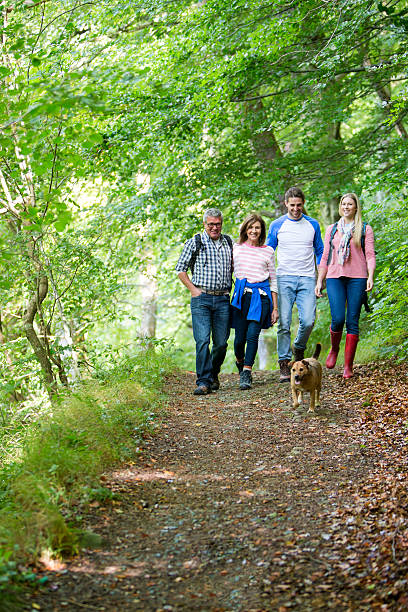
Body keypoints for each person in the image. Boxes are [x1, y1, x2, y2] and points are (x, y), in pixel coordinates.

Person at [266, 186, 324, 382]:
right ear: (286, 204)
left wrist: (321, 278)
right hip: (284, 278)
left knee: (308, 320)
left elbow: (320, 252)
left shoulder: (312, 224)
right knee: (284, 323)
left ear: (303, 204)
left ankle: (298, 348)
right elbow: (267, 252)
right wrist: (266, 278)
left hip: (307, 278)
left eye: (299, 205)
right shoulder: (277, 225)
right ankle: (284, 363)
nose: (296, 209)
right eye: (292, 205)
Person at [315, 192, 375, 379]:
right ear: (341, 207)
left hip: (357, 277)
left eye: (350, 204)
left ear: (356, 207)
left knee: (352, 321)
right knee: (338, 318)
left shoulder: (365, 229)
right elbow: (325, 257)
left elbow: (370, 255)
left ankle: (348, 366)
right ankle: (334, 349)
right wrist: (320, 280)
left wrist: (370, 276)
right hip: (334, 276)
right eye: (344, 203)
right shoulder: (332, 229)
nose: (346, 206)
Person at [175, 208, 233, 395]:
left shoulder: (229, 242)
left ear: (221, 224)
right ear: (205, 224)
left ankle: (213, 373)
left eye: (217, 224)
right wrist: (194, 291)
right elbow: (180, 270)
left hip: (223, 298)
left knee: (221, 343)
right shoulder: (195, 242)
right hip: (202, 299)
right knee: (202, 341)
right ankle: (203, 382)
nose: (215, 227)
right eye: (211, 224)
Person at [231, 213, 279, 390]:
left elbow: (273, 281)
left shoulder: (268, 251)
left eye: (257, 227)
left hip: (261, 298)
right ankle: (240, 361)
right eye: (250, 227)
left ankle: (246, 372)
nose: (254, 230)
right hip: (241, 297)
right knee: (238, 341)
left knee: (253, 336)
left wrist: (275, 307)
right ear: (245, 229)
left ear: (262, 231)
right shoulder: (236, 248)